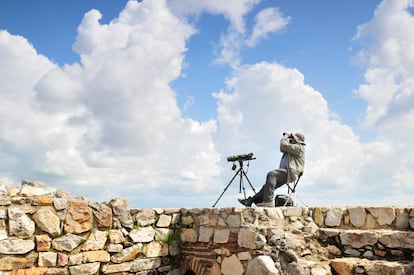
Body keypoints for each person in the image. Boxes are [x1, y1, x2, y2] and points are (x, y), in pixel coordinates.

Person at [238, 132, 305, 207]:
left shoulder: (299, 147)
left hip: (290, 173)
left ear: (297, 140)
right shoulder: (293, 148)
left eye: (293, 138)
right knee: (267, 187)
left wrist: (285, 137)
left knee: (272, 174)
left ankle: (268, 201)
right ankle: (250, 201)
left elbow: (284, 145)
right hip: (286, 172)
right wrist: (289, 138)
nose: (291, 139)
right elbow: (282, 148)